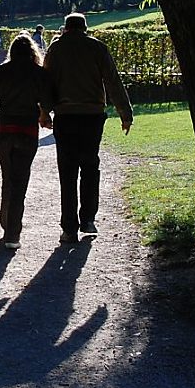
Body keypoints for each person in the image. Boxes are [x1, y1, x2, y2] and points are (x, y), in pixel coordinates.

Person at [41, 12, 133, 243]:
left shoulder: (55, 49)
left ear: (65, 28)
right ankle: (89, 218)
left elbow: (47, 83)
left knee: (67, 171)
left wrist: (44, 112)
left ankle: (68, 227)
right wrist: (125, 113)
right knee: (90, 165)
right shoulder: (97, 47)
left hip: (65, 115)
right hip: (92, 115)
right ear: (85, 27)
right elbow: (113, 81)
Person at [0, 34, 52, 250]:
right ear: (32, 51)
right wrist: (44, 114)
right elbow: (47, 101)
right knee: (21, 181)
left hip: (5, 131)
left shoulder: (2, 71)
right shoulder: (39, 73)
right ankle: (12, 232)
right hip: (27, 131)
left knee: (7, 177)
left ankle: (6, 221)